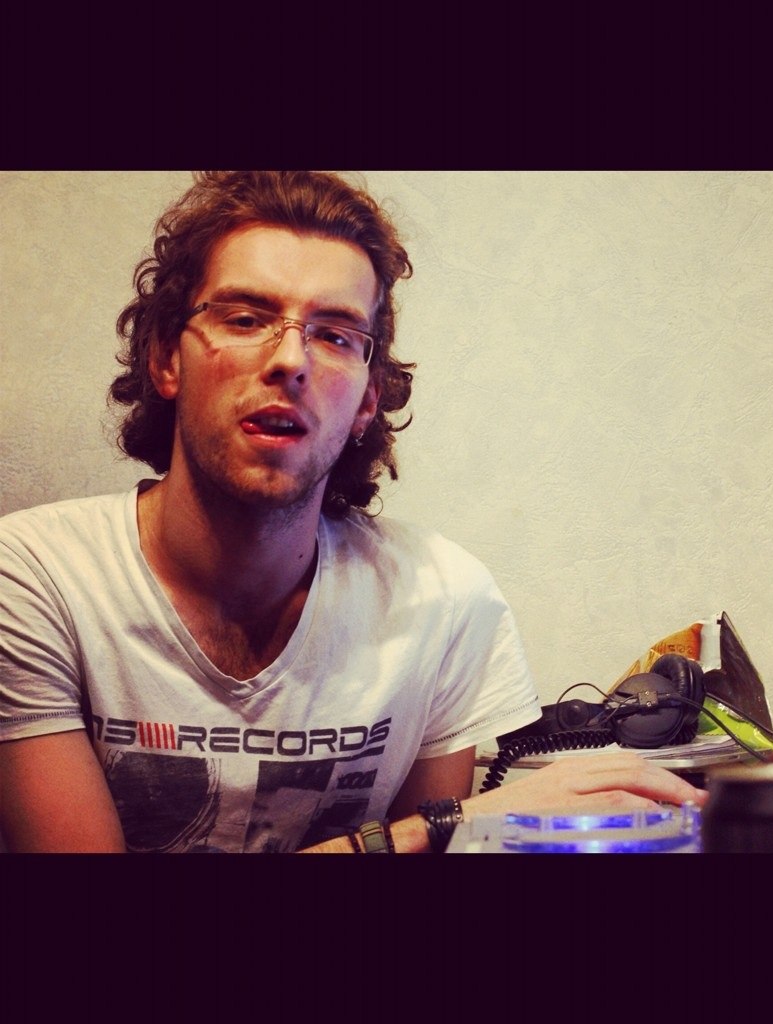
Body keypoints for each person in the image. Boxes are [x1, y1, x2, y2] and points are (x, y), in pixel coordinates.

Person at [0, 171, 704, 854]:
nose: (290, 360)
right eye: (245, 318)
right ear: (166, 359)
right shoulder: (36, 579)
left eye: (335, 335)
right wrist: (435, 828)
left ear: (368, 400)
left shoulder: (442, 601)